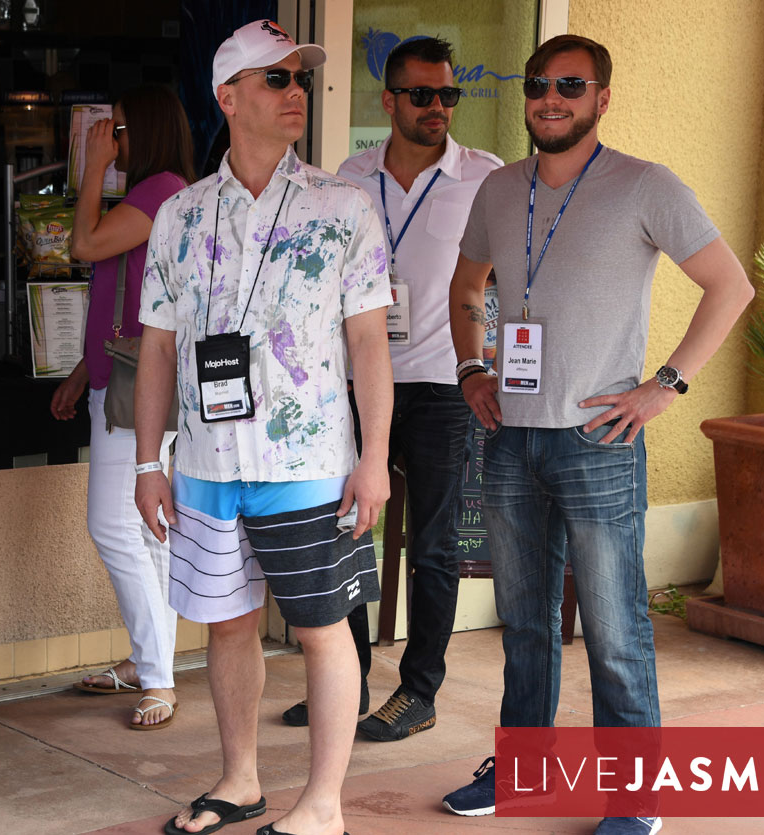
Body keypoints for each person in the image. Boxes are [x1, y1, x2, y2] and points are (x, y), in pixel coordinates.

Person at [439, 35, 754, 834]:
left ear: (600, 98)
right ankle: (523, 771)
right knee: (524, 621)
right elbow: (465, 282)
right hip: (510, 437)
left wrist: (665, 386)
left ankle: (634, 800)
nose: (550, 97)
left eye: (569, 85)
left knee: (615, 631)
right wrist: (472, 369)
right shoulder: (500, 190)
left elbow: (729, 284)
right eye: (538, 84)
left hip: (597, 440)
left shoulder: (644, 184)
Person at [134, 20, 394, 835]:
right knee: (226, 624)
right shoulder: (178, 214)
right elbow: (157, 348)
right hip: (208, 461)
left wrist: (375, 459)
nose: (294, 93)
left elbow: (368, 346)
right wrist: (149, 462)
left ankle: (323, 803)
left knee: (321, 630)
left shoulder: (341, 206)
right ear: (227, 98)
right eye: (274, 78)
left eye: (298, 78)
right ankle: (240, 779)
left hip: (310, 459)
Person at [280, 36, 505, 742]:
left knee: (433, 545)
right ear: (388, 100)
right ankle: (344, 686)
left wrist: (494, 354)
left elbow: (506, 277)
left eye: (447, 95)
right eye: (421, 94)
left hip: (444, 384)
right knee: (346, 533)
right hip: (356, 380)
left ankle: (418, 690)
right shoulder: (349, 176)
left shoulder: (485, 175)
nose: (437, 107)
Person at [51, 84, 196, 729]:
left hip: (139, 394)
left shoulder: (159, 190)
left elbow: (81, 245)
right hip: (123, 381)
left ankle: (158, 675)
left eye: (118, 130)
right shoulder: (158, 193)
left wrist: (89, 169)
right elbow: (130, 302)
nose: (113, 141)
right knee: (149, 532)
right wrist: (86, 371)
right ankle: (149, 660)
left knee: (114, 526)